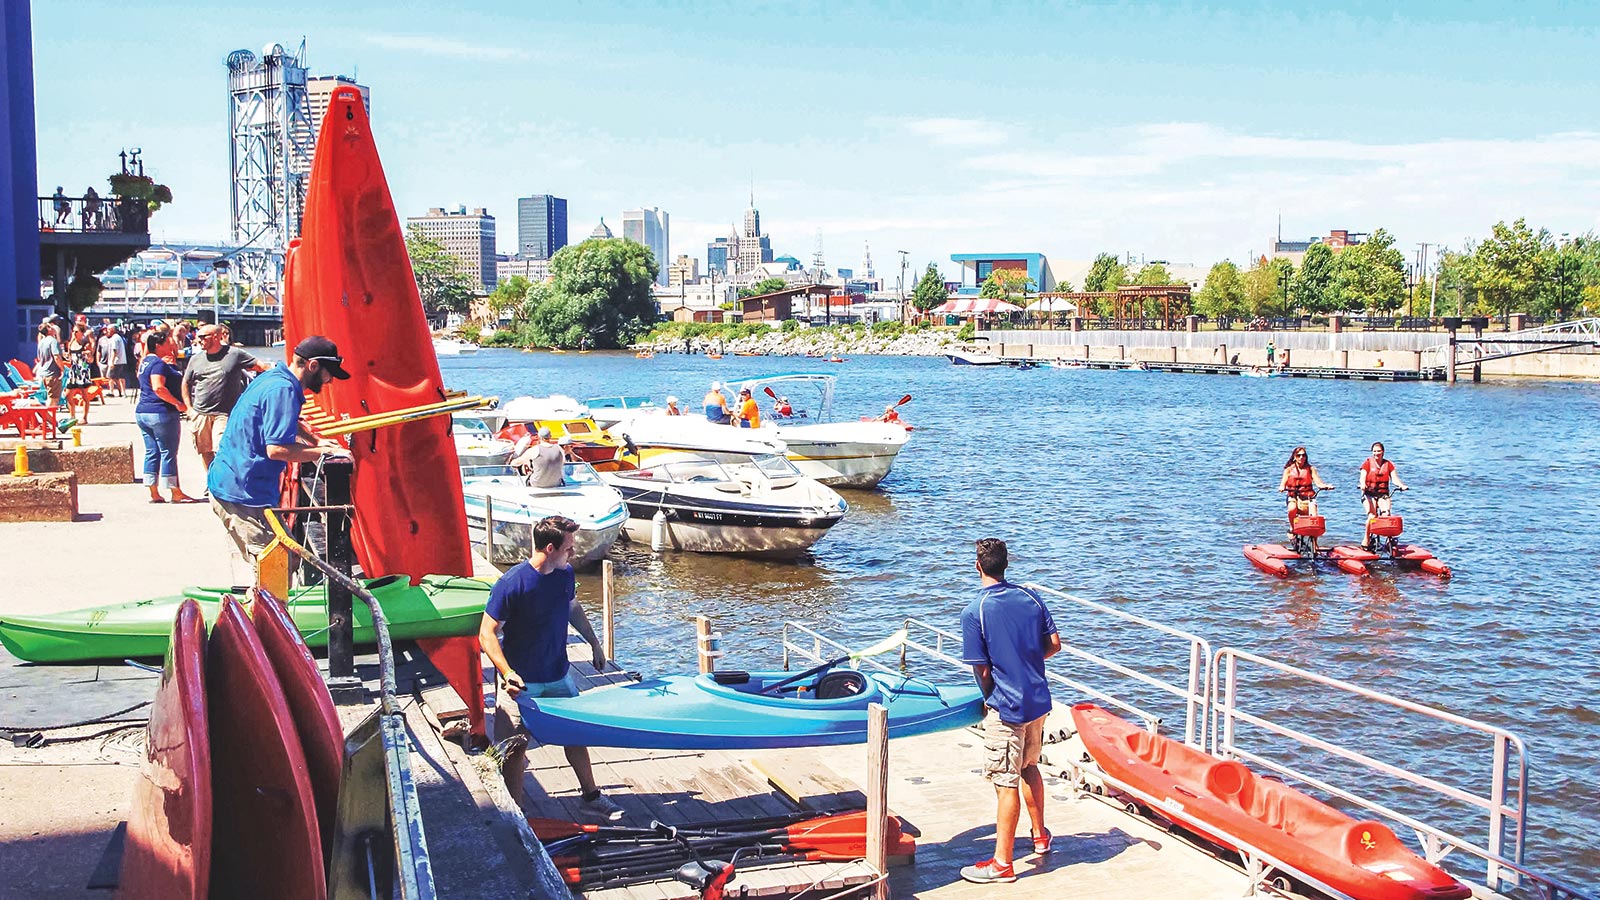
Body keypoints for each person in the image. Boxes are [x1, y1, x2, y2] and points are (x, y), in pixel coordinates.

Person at [479, 514, 623, 821]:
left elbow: (572, 607)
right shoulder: (511, 584)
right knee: (513, 749)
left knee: (575, 735)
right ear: (549, 547)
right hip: (521, 682)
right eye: (569, 547)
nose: (573, 552)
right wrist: (507, 672)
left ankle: (591, 796)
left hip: (558, 676)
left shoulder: (564, 575)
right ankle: (515, 813)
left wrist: (595, 643)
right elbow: (486, 633)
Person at [960, 538, 1060, 884]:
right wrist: (1027, 662)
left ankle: (1002, 863)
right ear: (1006, 565)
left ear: (977, 566)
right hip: (1038, 701)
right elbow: (1055, 644)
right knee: (1030, 767)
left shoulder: (975, 611)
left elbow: (982, 670)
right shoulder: (1031, 596)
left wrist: (992, 695)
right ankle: (1040, 836)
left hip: (1008, 708)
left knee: (1005, 783)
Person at [207, 336, 350, 568]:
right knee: (275, 567)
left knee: (290, 558)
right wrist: (320, 451)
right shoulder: (283, 390)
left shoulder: (275, 378)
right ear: (313, 366)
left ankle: (267, 600)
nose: (330, 380)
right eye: (328, 372)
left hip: (238, 484)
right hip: (241, 495)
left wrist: (315, 439)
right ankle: (266, 603)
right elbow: (277, 450)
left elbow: (282, 420)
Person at [182, 323, 267, 470]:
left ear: (216, 336)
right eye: (198, 337)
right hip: (201, 413)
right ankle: (211, 481)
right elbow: (186, 382)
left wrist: (268, 387)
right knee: (206, 452)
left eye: (202, 337)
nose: (198, 340)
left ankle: (225, 483)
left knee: (222, 450)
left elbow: (261, 366)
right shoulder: (196, 359)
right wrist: (189, 408)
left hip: (225, 414)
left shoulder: (234, 354)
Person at [134, 330, 198, 503]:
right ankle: (175, 490)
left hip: (143, 411)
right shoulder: (158, 364)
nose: (172, 346)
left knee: (151, 451)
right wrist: (178, 404)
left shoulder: (144, 362)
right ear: (159, 345)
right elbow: (158, 387)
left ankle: (153, 491)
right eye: (168, 343)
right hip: (161, 411)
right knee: (168, 451)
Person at [1277, 446, 1334, 547]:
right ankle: (1293, 528)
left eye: (1303, 455)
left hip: (1308, 497)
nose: (1301, 457)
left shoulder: (1311, 469)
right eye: (1298, 455)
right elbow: (1283, 482)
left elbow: (1318, 483)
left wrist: (1326, 486)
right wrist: (1281, 487)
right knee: (1292, 508)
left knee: (1315, 519)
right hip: (1293, 496)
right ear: (1294, 457)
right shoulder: (1289, 469)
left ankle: (1315, 544)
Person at [1359, 442, 1408, 550]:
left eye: (1379, 451)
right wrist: (1362, 485)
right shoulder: (1367, 464)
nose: (1377, 453)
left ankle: (1388, 540)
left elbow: (1394, 479)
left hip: (1383, 494)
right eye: (1375, 451)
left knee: (1386, 513)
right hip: (1369, 494)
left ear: (1383, 452)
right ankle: (1366, 540)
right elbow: (1362, 477)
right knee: (1372, 515)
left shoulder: (1389, 465)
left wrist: (1401, 485)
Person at [63, 323, 97, 424]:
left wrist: (88, 355)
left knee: (84, 395)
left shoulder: (85, 344)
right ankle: (72, 416)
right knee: (68, 394)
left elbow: (91, 360)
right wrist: (66, 356)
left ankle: (84, 417)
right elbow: (70, 358)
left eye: (76, 331)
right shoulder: (70, 344)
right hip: (73, 371)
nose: (74, 333)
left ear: (82, 333)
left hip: (82, 370)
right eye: (73, 331)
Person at [33, 323, 65, 410]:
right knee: (53, 399)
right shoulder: (53, 341)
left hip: (44, 373)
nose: (53, 328)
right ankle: (50, 419)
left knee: (49, 396)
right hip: (53, 373)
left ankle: (49, 419)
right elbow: (56, 356)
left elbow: (39, 358)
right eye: (51, 327)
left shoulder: (41, 342)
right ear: (48, 329)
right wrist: (62, 369)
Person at [96, 326, 129, 396]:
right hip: (121, 360)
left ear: (112, 330)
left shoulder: (114, 338)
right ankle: (122, 392)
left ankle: (111, 392)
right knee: (119, 377)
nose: (107, 331)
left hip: (116, 361)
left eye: (108, 330)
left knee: (110, 376)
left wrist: (111, 361)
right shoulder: (118, 337)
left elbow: (114, 350)